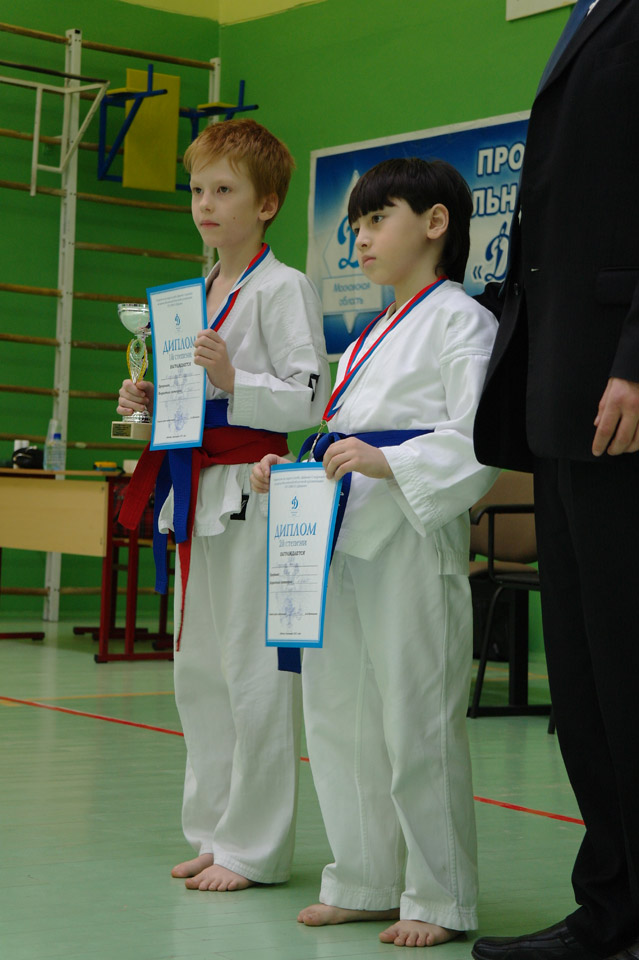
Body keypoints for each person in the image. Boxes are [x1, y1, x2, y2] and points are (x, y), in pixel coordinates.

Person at [252, 157, 498, 947]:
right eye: (354, 224)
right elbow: (339, 438)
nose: (359, 238)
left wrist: (390, 461)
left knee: (416, 718)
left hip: (412, 538)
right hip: (342, 533)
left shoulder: (463, 319)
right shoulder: (367, 333)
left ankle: (439, 895)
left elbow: (479, 439)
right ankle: (362, 877)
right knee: (338, 716)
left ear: (434, 223)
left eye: (376, 218)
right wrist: (290, 467)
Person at [117, 119, 330, 893]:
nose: (204, 204)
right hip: (192, 491)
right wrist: (152, 401)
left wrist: (235, 379)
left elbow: (310, 397)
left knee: (252, 672)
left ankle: (255, 847)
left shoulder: (282, 287)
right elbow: (193, 400)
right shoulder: (193, 293)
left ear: (266, 204)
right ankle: (212, 831)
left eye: (223, 190)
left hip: (252, 489)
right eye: (197, 190)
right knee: (199, 672)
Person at [471, 2, 639, 959]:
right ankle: (610, 905)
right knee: (582, 678)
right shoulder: (586, 14)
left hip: (619, 387)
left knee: (627, 666)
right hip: (562, 389)